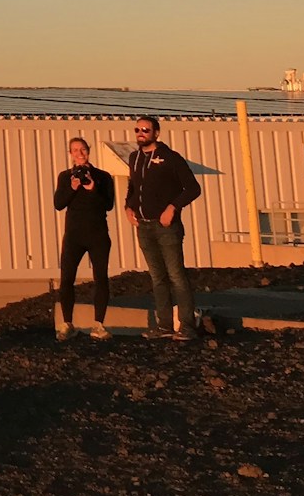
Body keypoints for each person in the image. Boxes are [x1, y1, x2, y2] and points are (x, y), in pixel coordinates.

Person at [124, 115, 202, 340]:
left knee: (176, 275)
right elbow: (133, 186)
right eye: (137, 129)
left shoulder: (171, 158)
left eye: (146, 130)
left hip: (166, 227)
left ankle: (187, 325)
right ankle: (164, 326)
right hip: (144, 226)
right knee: (157, 277)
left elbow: (192, 188)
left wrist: (172, 207)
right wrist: (128, 208)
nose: (141, 133)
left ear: (156, 133)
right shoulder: (134, 158)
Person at [53, 137, 116, 340]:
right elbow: (59, 204)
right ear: (70, 154)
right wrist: (72, 188)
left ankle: (98, 324)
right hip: (73, 235)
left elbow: (108, 205)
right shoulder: (65, 177)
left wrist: (92, 189)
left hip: (97, 234)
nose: (79, 153)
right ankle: (67, 323)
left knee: (101, 278)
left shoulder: (104, 177)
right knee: (67, 279)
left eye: (83, 149)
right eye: (75, 150)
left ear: (89, 151)